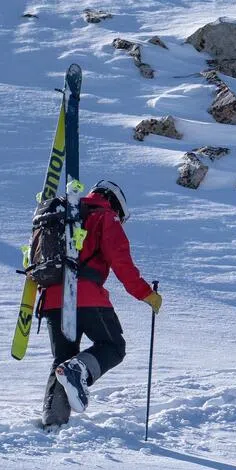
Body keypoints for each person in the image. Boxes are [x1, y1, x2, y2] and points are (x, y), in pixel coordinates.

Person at [40, 181, 162, 428]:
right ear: (115, 202)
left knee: (63, 359)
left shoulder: (59, 214)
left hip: (52, 298)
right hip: (85, 295)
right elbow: (121, 262)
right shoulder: (105, 216)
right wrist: (146, 294)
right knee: (113, 346)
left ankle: (52, 421)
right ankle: (79, 370)